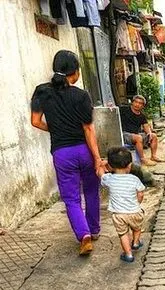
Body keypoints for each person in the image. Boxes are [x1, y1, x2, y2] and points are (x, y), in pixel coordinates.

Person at [30, 50, 103, 256]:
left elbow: (35, 121)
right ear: (75, 72)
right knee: (91, 190)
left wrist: (55, 129)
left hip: (62, 153)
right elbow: (88, 129)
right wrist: (97, 158)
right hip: (84, 150)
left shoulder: (41, 91)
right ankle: (94, 230)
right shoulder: (81, 95)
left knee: (71, 198)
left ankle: (84, 235)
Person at [100, 147, 145, 263]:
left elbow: (100, 174)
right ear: (129, 165)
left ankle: (128, 254)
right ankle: (136, 243)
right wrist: (137, 203)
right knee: (137, 228)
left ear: (110, 166)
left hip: (119, 215)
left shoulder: (109, 179)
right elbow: (140, 193)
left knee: (123, 234)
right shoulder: (134, 179)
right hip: (135, 211)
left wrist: (102, 165)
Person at [119, 95, 164, 166]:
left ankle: (153, 156)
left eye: (140, 103)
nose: (137, 104)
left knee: (153, 136)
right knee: (138, 137)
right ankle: (142, 159)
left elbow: (145, 126)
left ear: (143, 106)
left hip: (135, 134)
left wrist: (149, 133)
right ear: (132, 102)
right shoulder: (124, 110)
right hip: (124, 134)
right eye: (136, 102)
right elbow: (113, 109)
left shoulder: (142, 116)